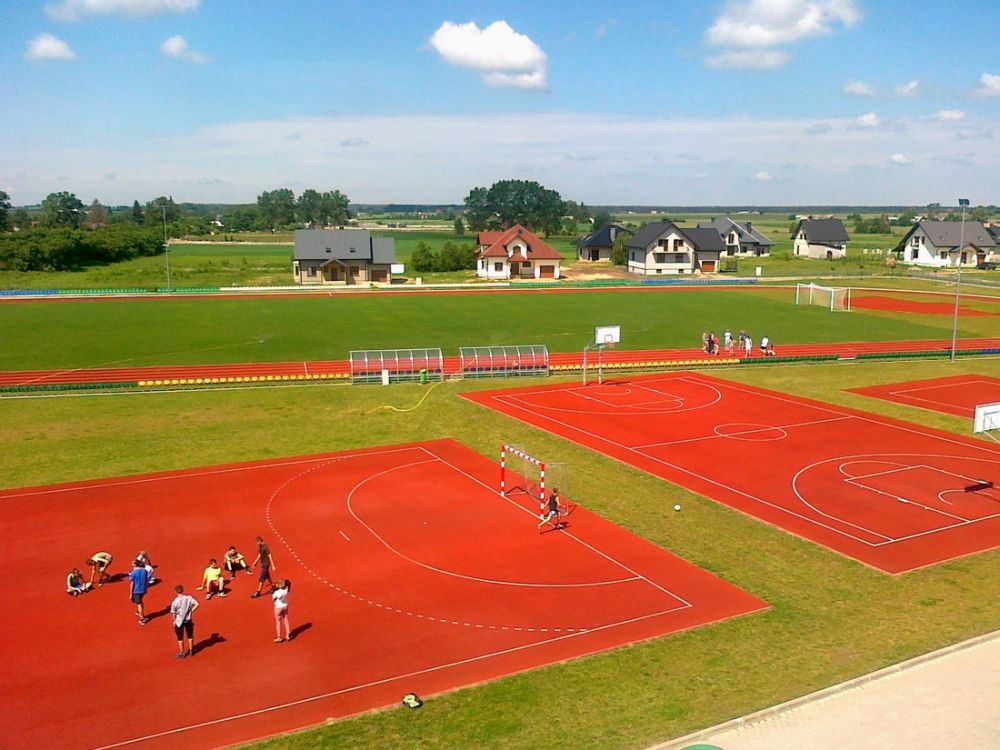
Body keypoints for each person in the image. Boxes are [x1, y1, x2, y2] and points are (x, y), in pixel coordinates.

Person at [170, 584, 199, 659]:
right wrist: (191, 610)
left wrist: (174, 621)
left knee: (180, 637)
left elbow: (173, 613)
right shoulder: (189, 598)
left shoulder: (174, 602)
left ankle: (182, 652)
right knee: (190, 635)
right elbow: (197, 604)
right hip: (188, 619)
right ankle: (191, 650)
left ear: (176, 592)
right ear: (182, 590)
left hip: (179, 621)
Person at [128, 559, 149, 625]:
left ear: (135, 565)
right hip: (143, 589)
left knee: (139, 604)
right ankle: (139, 612)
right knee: (140, 601)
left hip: (136, 590)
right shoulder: (144, 571)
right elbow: (146, 580)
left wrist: (131, 593)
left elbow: (132, 583)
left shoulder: (133, 573)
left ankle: (142, 619)